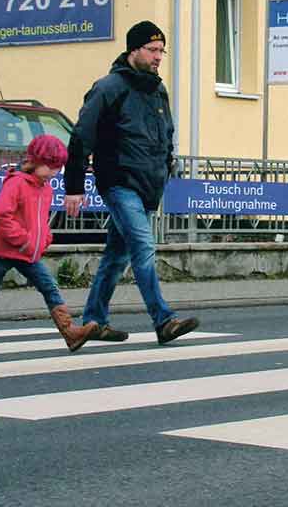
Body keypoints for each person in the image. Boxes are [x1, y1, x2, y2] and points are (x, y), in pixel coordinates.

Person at [64, 20, 199, 345]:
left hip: (149, 184)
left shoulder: (157, 90)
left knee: (116, 255)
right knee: (143, 247)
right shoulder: (108, 88)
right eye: (152, 50)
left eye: (161, 51)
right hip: (119, 181)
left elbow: (166, 133)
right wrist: (74, 186)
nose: (158, 57)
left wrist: (167, 166)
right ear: (133, 50)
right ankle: (163, 320)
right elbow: (82, 137)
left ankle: (93, 320)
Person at [0, 134, 99, 353]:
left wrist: (45, 239)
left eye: (57, 168)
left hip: (29, 253)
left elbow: (42, 220)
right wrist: (23, 240)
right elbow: (2, 215)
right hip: (4, 251)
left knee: (49, 287)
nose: (54, 172)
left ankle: (69, 332)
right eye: (50, 167)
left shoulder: (45, 187)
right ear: (35, 161)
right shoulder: (16, 183)